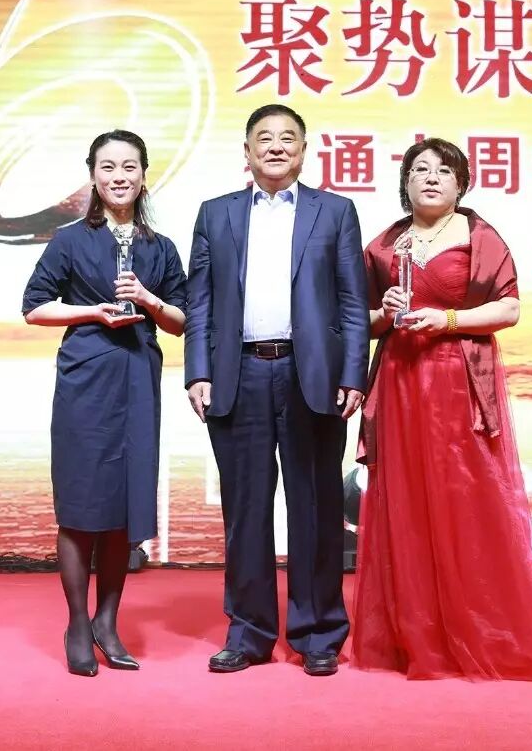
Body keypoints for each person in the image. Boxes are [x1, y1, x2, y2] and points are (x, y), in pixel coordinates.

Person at [352, 136, 532, 681]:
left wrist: (448, 320)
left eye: (444, 170)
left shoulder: (479, 236)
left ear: (461, 183)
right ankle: (416, 637)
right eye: (420, 169)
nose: (431, 178)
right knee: (405, 504)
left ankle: (484, 632)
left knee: (469, 500)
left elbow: (509, 308)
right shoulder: (384, 245)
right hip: (401, 383)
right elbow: (361, 323)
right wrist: (384, 313)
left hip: (458, 380)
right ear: (405, 182)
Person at [184, 104, 369, 676]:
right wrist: (198, 371)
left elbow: (352, 302)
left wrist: (352, 375)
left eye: (288, 137)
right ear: (246, 152)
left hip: (310, 376)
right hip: (238, 374)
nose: (276, 146)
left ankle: (318, 634)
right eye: (263, 138)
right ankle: (249, 633)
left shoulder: (335, 212)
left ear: (304, 151)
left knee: (315, 507)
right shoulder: (216, 214)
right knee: (245, 510)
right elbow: (200, 303)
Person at [22, 130, 187, 677]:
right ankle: (77, 622)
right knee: (81, 507)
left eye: (129, 166)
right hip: (86, 380)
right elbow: (34, 308)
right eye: (108, 166)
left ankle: (107, 620)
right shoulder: (70, 240)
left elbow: (183, 320)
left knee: (123, 507)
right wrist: (93, 311)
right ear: (93, 175)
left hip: (137, 378)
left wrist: (149, 299)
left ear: (144, 175)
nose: (119, 176)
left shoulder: (161, 248)